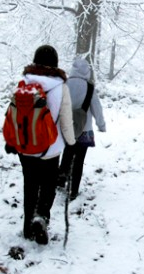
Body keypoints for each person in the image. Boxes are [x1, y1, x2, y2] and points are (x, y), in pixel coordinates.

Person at [14, 45, 76, 245]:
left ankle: (27, 226)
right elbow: (66, 120)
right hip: (50, 149)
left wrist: (12, 140)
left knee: (29, 185)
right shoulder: (61, 87)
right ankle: (41, 217)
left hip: (25, 148)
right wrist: (72, 142)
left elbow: (14, 114)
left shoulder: (24, 82)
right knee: (48, 185)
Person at [58, 58, 106, 201]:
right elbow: (97, 107)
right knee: (79, 160)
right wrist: (101, 125)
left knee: (67, 153)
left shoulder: (64, 85)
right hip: (84, 130)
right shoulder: (89, 87)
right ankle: (73, 190)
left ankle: (60, 180)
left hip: (67, 128)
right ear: (87, 71)